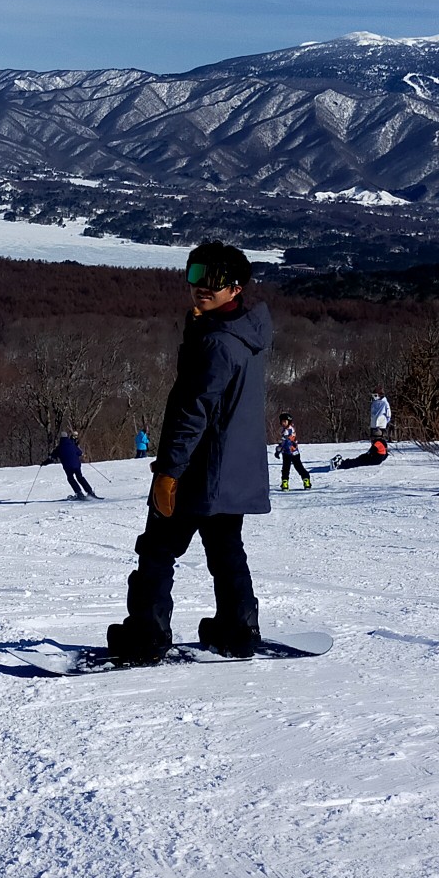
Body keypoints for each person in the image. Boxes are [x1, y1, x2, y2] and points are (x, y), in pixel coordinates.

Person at [108, 241, 271, 663]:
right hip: (231, 471)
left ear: (235, 288)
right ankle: (238, 629)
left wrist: (169, 470)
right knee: (225, 550)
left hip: (198, 468)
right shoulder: (245, 332)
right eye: (194, 274)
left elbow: (193, 412)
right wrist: (196, 328)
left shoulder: (219, 343)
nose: (200, 287)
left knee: (157, 550)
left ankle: (147, 635)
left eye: (211, 280)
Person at [43, 431, 98, 500]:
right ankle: (90, 492)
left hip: (67, 467)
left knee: (71, 478)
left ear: (61, 438)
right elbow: (80, 452)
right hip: (77, 465)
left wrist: (44, 463)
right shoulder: (72, 445)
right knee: (80, 477)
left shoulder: (59, 448)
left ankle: (79, 493)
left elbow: (52, 458)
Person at [277, 415, 312, 491]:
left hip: (290, 452)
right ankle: (285, 482)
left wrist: (278, 450)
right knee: (287, 468)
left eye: (285, 421)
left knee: (295, 467)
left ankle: (305, 480)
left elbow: (283, 443)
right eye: (282, 421)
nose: (283, 423)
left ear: (288, 422)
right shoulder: (289, 429)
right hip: (291, 452)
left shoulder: (287, 431)